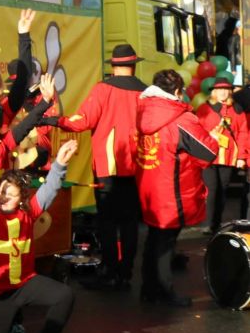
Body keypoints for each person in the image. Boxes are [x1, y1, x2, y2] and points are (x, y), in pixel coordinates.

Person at [0, 137, 78, 333]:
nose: (2, 197)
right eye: (1, 192)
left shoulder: (29, 213)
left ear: (22, 199)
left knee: (65, 295)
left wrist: (59, 163)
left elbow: (50, 188)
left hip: (24, 284)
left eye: (10, 195)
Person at [55, 43, 146, 291]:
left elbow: (83, 121)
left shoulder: (103, 89)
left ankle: (108, 271)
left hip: (108, 166)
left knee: (107, 221)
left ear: (114, 66)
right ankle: (125, 272)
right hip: (137, 166)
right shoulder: (146, 92)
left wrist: (56, 120)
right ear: (134, 64)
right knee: (129, 223)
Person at [135, 70, 218, 307]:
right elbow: (209, 152)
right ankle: (162, 291)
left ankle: (148, 289)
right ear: (178, 92)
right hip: (171, 191)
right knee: (165, 242)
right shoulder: (181, 119)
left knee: (154, 238)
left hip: (149, 186)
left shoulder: (143, 110)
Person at [195, 76, 249, 234]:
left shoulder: (237, 109)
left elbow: (243, 133)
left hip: (228, 156)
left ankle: (217, 222)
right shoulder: (204, 109)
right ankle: (208, 224)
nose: (223, 92)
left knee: (222, 190)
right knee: (211, 190)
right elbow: (196, 130)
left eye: (226, 89)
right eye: (220, 89)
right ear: (214, 92)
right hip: (209, 155)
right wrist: (209, 135)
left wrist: (241, 157)